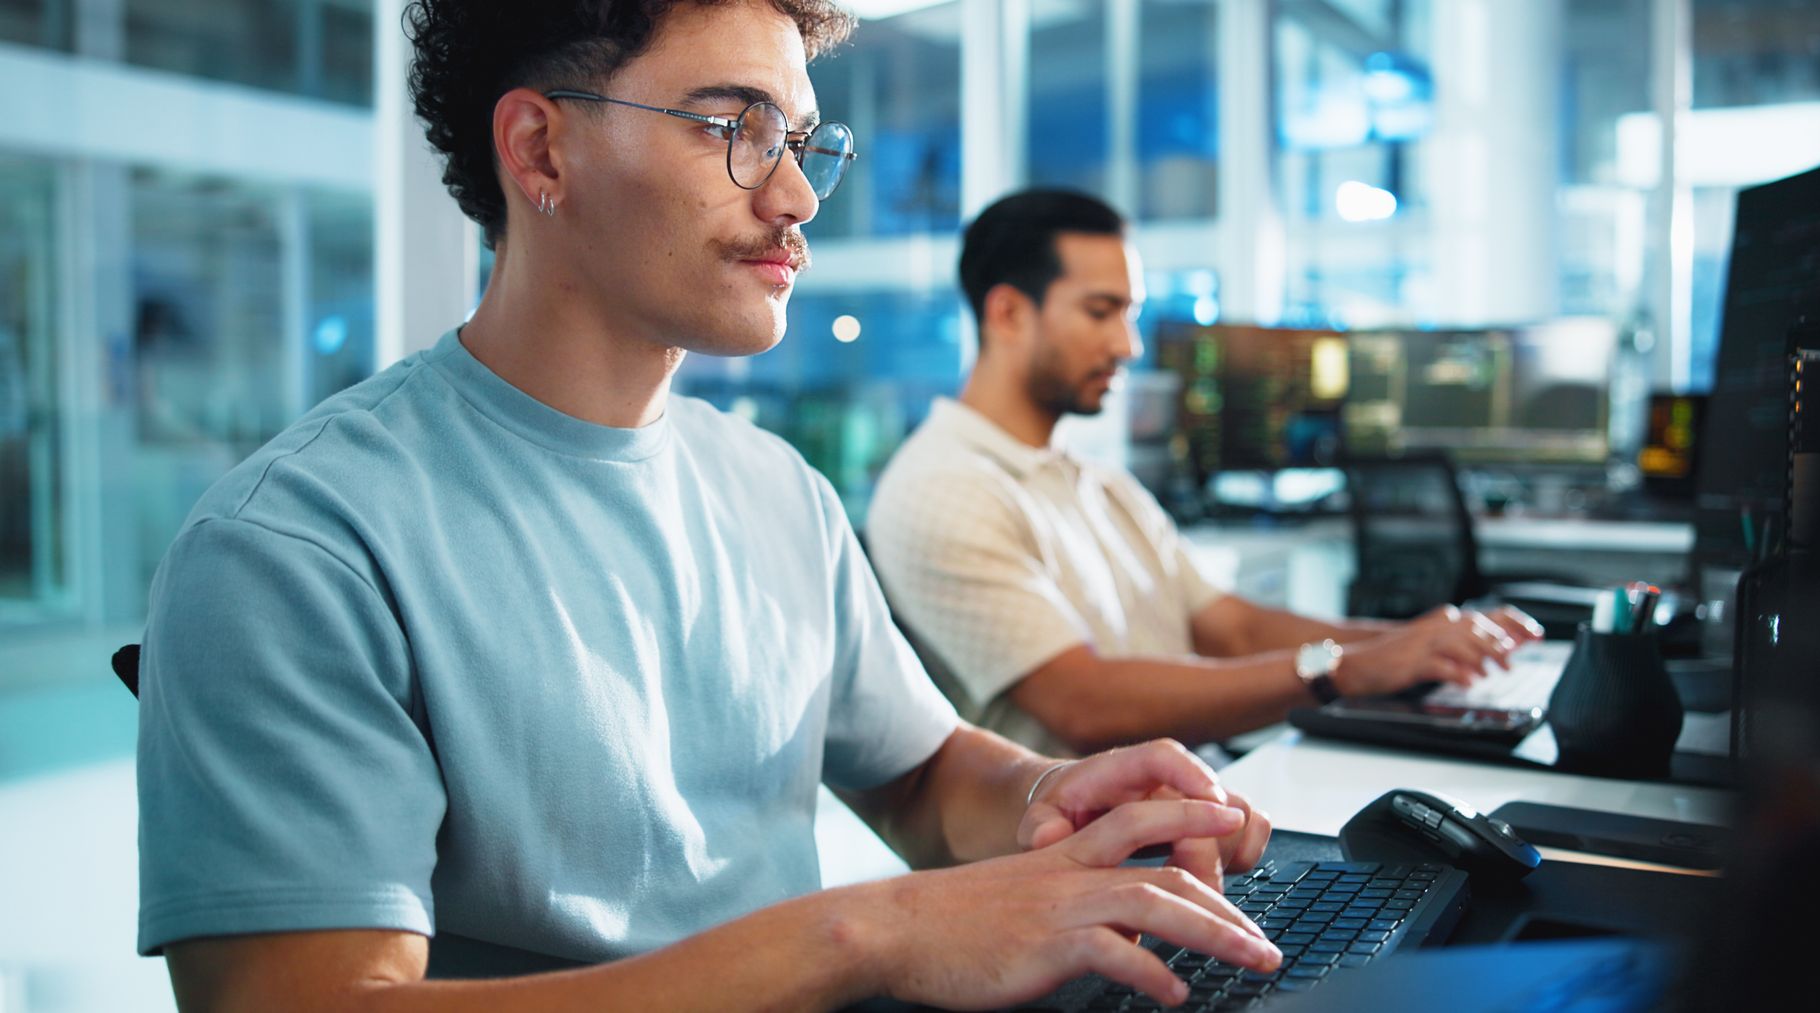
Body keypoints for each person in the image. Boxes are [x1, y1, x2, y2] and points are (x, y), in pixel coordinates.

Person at [135, 5, 1286, 1011]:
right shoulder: (294, 547)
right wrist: (862, 934)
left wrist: (1050, 794)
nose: (794, 197)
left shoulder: (776, 486)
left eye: (800, 142)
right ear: (541, 147)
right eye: (734, 127)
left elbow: (922, 774)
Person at [865, 188, 1543, 757]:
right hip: (1073, 864)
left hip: (1190, 807)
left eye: (1129, 314)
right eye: (1101, 312)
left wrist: (1420, 641)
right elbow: (1083, 703)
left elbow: (1230, 629)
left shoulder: (1095, 481)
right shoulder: (943, 489)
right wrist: (1350, 669)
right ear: (1008, 312)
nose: (1127, 344)